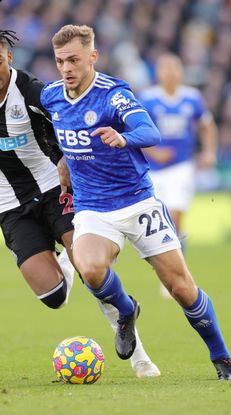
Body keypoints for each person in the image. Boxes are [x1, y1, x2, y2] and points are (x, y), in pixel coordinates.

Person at [40, 24, 231, 380]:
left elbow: (150, 132)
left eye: (74, 60)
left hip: (138, 202)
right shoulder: (51, 96)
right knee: (90, 268)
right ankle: (126, 311)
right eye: (60, 61)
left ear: (92, 57)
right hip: (93, 207)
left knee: (182, 288)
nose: (66, 68)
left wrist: (123, 137)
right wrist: (63, 160)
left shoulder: (113, 93)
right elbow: (53, 132)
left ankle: (222, 359)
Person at [0, 30, 160, 379]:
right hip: (10, 204)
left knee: (92, 271)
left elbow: (67, 120)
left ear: (8, 58)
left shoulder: (32, 92)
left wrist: (64, 160)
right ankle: (64, 264)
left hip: (56, 188)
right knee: (53, 296)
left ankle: (140, 357)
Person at [139, 53, 218, 298]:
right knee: (159, 223)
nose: (170, 73)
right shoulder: (148, 99)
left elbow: (207, 126)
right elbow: (136, 131)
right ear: (159, 73)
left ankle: (176, 275)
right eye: (166, 69)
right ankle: (168, 271)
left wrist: (209, 152)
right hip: (153, 170)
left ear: (181, 72)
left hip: (181, 167)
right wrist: (153, 152)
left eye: (175, 69)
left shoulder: (192, 98)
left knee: (175, 218)